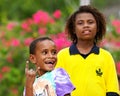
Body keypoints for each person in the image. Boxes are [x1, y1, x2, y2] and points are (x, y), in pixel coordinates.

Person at [55, 5, 120, 96]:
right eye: (80, 23)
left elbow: (112, 90)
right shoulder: (62, 56)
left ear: (97, 27)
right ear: (73, 29)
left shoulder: (106, 57)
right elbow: (58, 89)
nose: (86, 26)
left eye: (90, 22)